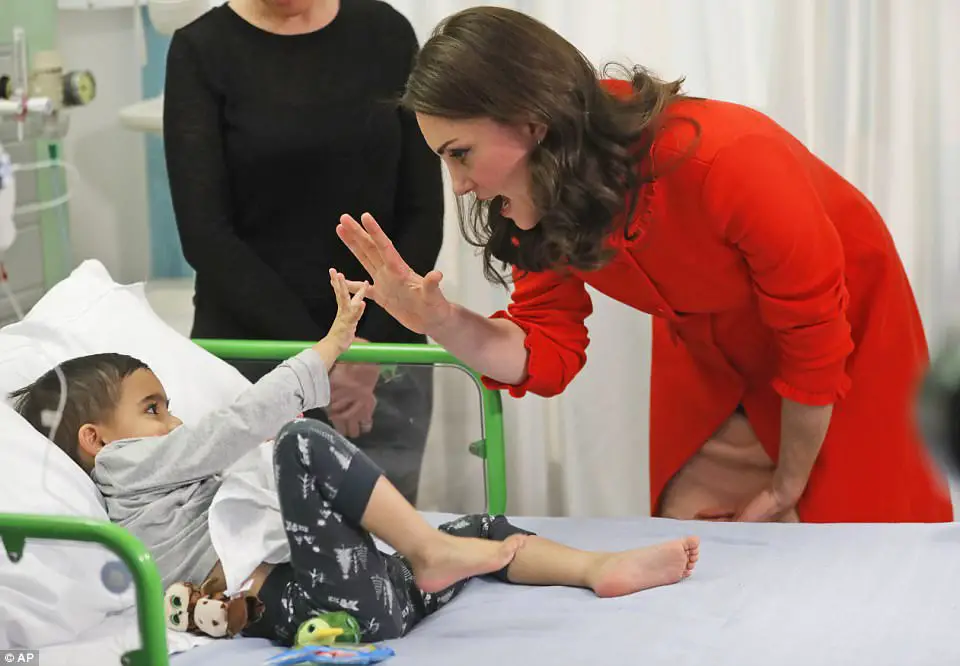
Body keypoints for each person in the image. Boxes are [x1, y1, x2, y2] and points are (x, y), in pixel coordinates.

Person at [334, 6, 954, 524]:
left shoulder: (731, 157)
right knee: (698, 546)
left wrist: (789, 483)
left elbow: (816, 340)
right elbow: (544, 350)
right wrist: (438, 319)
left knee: (861, 544)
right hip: (709, 346)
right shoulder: (538, 197)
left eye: (460, 154)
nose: (461, 186)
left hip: (846, 341)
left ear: (531, 120)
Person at [9, 269, 699, 645]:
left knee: (482, 530)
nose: (176, 419)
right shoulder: (126, 470)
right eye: (154, 409)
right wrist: (331, 344)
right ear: (96, 441)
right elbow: (231, 426)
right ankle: (428, 553)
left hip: (369, 594)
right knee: (299, 444)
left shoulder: (165, 473)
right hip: (316, 603)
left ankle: (597, 568)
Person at [163, 0, 443, 504]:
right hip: (254, 362)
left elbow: (423, 210)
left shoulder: (387, 33)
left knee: (390, 562)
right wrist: (325, 357)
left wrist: (366, 349)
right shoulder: (201, 50)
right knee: (256, 560)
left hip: (381, 355)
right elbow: (205, 233)